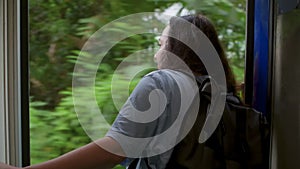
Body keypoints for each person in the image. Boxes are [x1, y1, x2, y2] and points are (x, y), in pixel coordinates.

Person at [0, 14, 237, 169]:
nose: (156, 55)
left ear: (178, 50)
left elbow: (113, 151)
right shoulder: (221, 92)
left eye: (161, 44)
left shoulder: (161, 83)